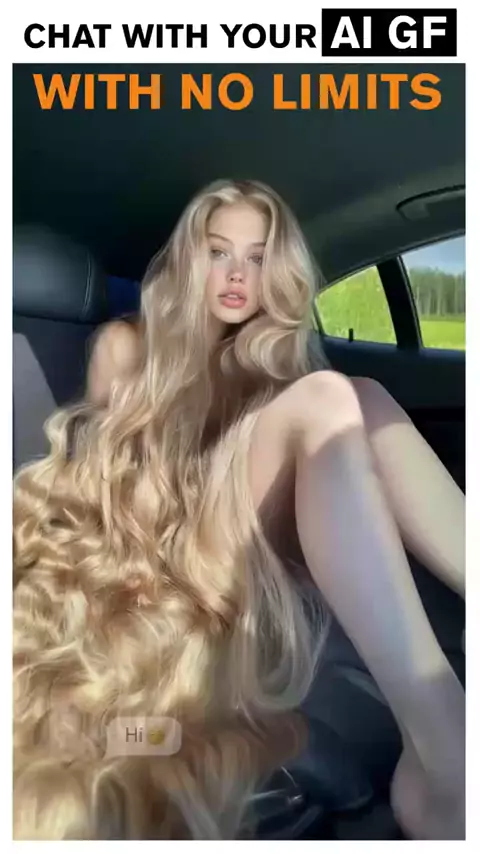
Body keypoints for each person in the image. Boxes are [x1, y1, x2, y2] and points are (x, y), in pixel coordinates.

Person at [13, 179, 465, 841]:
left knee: (361, 395)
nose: (235, 274)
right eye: (218, 252)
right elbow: (110, 496)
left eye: (256, 258)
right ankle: (449, 761)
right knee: (330, 399)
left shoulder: (268, 355)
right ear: (189, 261)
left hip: (251, 544)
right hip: (169, 549)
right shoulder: (126, 344)